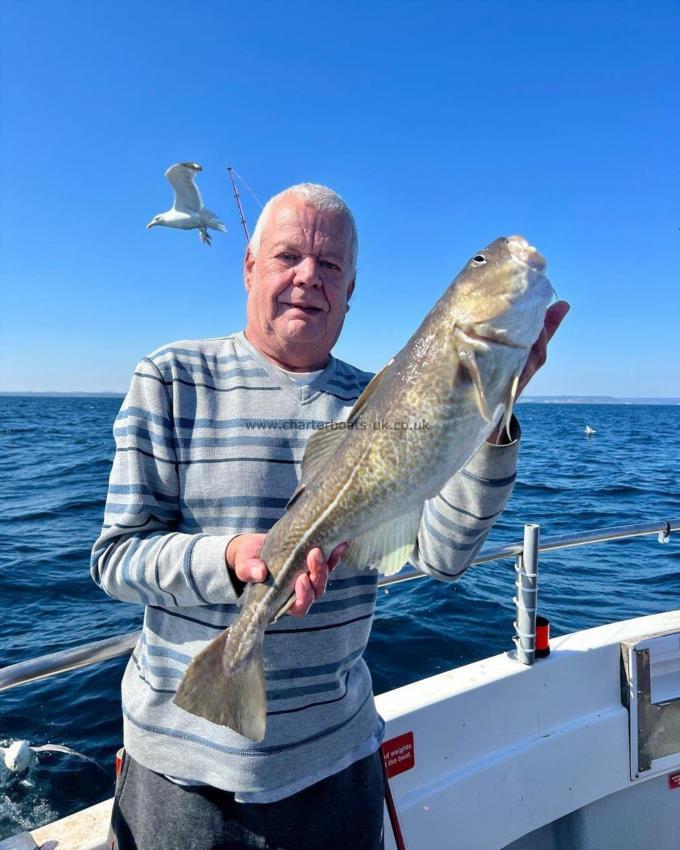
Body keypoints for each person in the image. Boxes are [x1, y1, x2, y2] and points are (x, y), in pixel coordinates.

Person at [91, 183, 569, 850]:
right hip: (181, 777)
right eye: (288, 255)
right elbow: (115, 558)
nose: (308, 277)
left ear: (350, 293)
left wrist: (494, 414)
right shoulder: (171, 377)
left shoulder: (381, 396)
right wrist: (231, 561)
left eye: (331, 265)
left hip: (335, 770)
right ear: (249, 266)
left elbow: (444, 555)